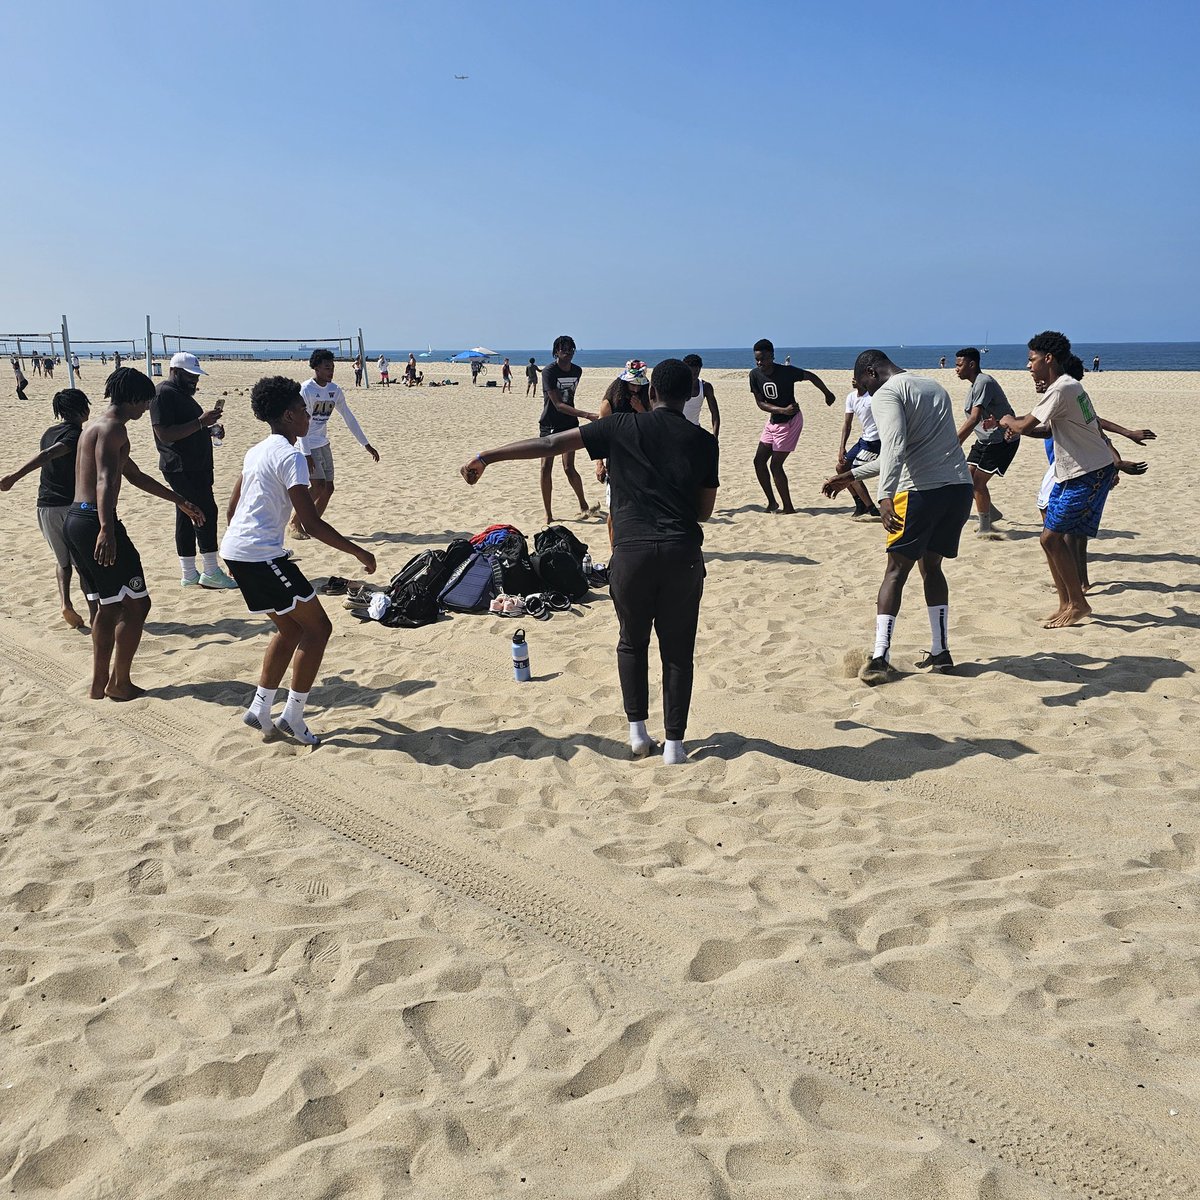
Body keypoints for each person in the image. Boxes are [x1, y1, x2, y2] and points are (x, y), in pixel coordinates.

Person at [462, 358, 719, 764]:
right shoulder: (704, 441)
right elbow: (704, 511)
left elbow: (550, 444)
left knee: (631, 643)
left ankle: (637, 734)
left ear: (651, 393)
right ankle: (674, 745)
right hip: (681, 555)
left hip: (631, 556)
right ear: (690, 393)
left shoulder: (620, 427)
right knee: (677, 650)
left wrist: (487, 456)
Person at [221, 375, 377, 746]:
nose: (309, 416)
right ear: (290, 416)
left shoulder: (255, 450)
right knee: (319, 629)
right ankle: (293, 715)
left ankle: (260, 708)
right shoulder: (292, 456)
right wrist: (359, 551)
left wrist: (235, 547)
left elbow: (233, 507)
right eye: (304, 410)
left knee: (290, 629)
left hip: (238, 551)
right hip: (261, 556)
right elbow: (310, 522)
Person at [822, 350, 973, 684]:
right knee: (931, 567)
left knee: (895, 571)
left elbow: (895, 445)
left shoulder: (888, 393)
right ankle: (941, 650)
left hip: (920, 492)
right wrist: (854, 475)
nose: (867, 394)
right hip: (959, 490)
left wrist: (884, 495)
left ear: (872, 372)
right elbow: (908, 451)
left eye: (865, 386)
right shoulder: (933, 386)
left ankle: (879, 658)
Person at [64, 368, 205, 700]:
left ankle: (101, 682)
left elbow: (133, 474)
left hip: (76, 519)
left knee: (107, 605)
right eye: (144, 403)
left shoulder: (95, 428)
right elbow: (103, 480)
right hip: (95, 522)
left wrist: (179, 500)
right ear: (132, 399)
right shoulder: (113, 430)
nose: (145, 409)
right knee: (138, 604)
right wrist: (106, 529)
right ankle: (118, 682)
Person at [995, 334, 1137, 626]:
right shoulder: (1068, 387)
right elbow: (1047, 430)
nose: (1028, 366)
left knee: (1050, 537)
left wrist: (1007, 420)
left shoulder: (1062, 389)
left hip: (1090, 473)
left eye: (1031, 359)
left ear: (1048, 358)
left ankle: (1079, 603)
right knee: (1050, 539)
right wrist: (1018, 427)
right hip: (1072, 472)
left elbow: (1022, 424)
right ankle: (1066, 602)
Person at [1024, 354, 1152, 592]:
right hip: (1070, 469)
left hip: (1072, 471)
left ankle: (1068, 580)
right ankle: (1077, 579)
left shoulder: (1063, 398)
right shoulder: (1063, 401)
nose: (1036, 379)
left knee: (1057, 531)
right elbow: (1094, 427)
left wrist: (1117, 463)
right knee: (1070, 532)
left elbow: (1099, 435)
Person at [1, 387, 95, 629]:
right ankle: (95, 613)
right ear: (80, 408)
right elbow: (48, 455)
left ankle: (65, 603)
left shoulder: (48, 432)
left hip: (44, 505)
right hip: (69, 506)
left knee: (62, 560)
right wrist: (14, 476)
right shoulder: (75, 435)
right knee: (84, 562)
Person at [151, 351, 235, 588]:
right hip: (181, 466)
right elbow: (165, 433)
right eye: (190, 376)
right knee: (204, 510)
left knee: (186, 514)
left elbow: (184, 428)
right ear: (174, 372)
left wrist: (209, 429)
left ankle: (189, 574)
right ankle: (210, 570)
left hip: (194, 465)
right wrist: (201, 422)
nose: (194, 381)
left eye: (196, 377)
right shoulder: (163, 393)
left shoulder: (180, 394)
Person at [287, 348, 379, 540]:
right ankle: (294, 523)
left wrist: (365, 444)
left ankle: (312, 525)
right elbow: (300, 423)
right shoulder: (306, 390)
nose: (331, 371)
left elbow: (348, 417)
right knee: (318, 485)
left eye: (333, 367)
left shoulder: (334, 390)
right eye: (327, 367)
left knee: (329, 488)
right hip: (307, 444)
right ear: (316, 368)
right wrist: (306, 453)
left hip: (323, 443)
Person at [749, 338, 836, 513]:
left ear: (772, 356)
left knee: (775, 465)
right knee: (759, 462)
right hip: (774, 420)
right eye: (757, 359)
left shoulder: (786, 372)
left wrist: (827, 393)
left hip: (790, 422)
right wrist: (782, 410)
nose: (760, 363)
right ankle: (772, 502)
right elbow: (760, 403)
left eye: (763, 359)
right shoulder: (754, 375)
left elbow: (810, 376)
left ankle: (788, 507)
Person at [953, 347, 1017, 536]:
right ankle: (991, 512)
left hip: (1002, 440)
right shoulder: (974, 385)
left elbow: (973, 419)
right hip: (984, 440)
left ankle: (985, 527)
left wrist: (954, 444)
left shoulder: (984, 382)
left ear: (971, 364)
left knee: (977, 483)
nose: (956, 369)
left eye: (959, 365)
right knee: (966, 479)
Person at [538, 335, 601, 522]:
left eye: (571, 349)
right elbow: (557, 404)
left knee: (568, 467)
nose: (569, 353)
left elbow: (568, 399)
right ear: (556, 351)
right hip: (550, 424)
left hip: (569, 423)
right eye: (564, 349)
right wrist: (587, 415)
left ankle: (583, 504)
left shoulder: (577, 371)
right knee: (545, 467)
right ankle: (548, 514)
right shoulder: (549, 372)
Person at [594, 361, 651, 547]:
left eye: (639, 384)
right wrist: (599, 463)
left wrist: (641, 410)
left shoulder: (647, 398)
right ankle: (614, 549)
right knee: (614, 508)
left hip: (641, 460)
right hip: (616, 462)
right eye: (632, 383)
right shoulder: (610, 403)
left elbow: (655, 427)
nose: (635, 387)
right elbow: (599, 435)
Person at [835, 383, 882, 520]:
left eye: (857, 376)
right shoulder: (851, 397)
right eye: (852, 377)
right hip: (863, 440)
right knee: (841, 467)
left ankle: (872, 509)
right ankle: (859, 503)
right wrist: (841, 447)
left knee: (854, 474)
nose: (853, 379)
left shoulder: (874, 396)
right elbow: (847, 424)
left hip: (875, 441)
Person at [682, 354, 721, 437]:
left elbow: (715, 413)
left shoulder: (705, 387)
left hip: (695, 429)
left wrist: (715, 436)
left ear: (700, 369)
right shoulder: (677, 385)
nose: (693, 376)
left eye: (696, 373)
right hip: (677, 429)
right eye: (690, 373)